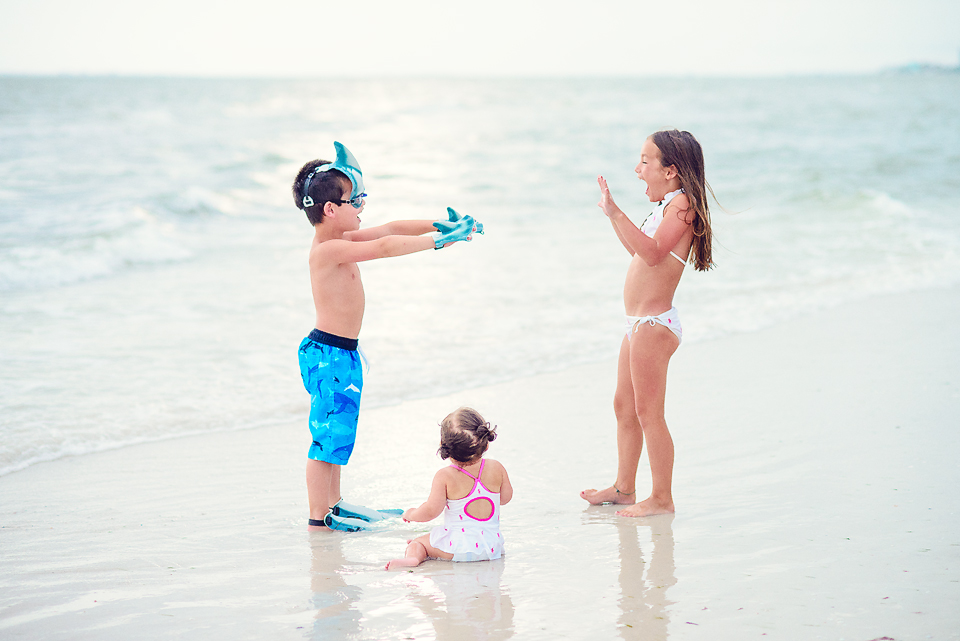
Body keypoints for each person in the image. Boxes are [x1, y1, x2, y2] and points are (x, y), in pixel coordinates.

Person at [293, 142, 481, 531]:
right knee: (325, 437)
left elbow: (394, 229)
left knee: (340, 433)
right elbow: (384, 246)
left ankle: (334, 504)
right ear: (331, 209)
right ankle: (317, 517)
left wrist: (439, 225)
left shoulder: (342, 242)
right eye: (354, 200)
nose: (362, 207)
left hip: (342, 353)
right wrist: (438, 243)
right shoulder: (327, 251)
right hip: (327, 354)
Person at [581, 129, 715, 517]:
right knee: (624, 406)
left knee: (648, 412)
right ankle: (624, 488)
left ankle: (661, 497)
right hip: (637, 324)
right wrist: (612, 214)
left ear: (670, 170)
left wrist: (617, 210)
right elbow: (637, 250)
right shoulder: (666, 205)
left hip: (655, 325)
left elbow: (654, 254)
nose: (637, 169)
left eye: (645, 161)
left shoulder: (683, 206)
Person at [385, 407, 512, 569]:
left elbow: (431, 510)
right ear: (486, 445)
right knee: (432, 539)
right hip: (493, 547)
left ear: (445, 448)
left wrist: (412, 514)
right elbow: (505, 498)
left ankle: (413, 560)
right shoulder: (496, 468)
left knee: (419, 544)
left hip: (458, 549)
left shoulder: (445, 476)